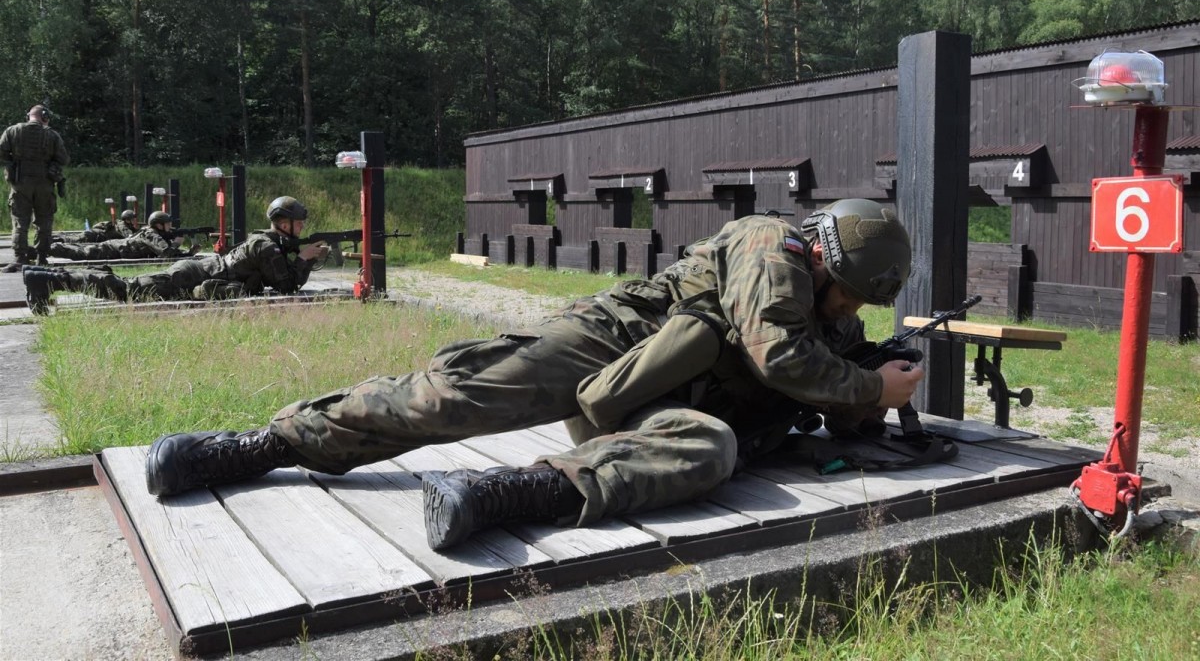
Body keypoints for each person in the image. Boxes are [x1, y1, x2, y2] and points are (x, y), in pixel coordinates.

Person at [141, 199, 923, 552]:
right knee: (454, 396)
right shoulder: (768, 244)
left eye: (858, 305)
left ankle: (503, 495)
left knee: (710, 451)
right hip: (617, 342)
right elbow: (778, 355)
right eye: (848, 294)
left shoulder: (838, 324)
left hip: (660, 407)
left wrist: (877, 389)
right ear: (824, 256)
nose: (848, 310)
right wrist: (869, 386)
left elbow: (815, 392)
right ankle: (257, 447)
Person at [23, 196, 329, 314]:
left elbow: (282, 280)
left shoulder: (270, 243)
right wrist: (304, 259)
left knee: (126, 287)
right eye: (298, 223)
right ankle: (47, 280)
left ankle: (47, 280)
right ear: (283, 223)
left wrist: (303, 257)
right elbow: (286, 286)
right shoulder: (267, 245)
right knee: (126, 290)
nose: (302, 228)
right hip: (193, 275)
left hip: (200, 271)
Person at [1, 105, 69, 265]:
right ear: (44, 117)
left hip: (20, 183)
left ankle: (20, 257)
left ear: (28, 116)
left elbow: (1, 153)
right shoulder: (52, 135)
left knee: (19, 221)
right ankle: (42, 257)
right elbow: (64, 159)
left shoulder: (12, 131)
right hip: (44, 184)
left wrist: (13, 163)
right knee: (44, 221)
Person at [47, 211, 189, 261]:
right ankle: (46, 248)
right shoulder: (151, 234)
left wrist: (189, 252)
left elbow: (165, 253)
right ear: (159, 225)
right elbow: (166, 255)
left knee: (79, 250)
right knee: (80, 252)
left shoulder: (156, 234)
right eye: (167, 224)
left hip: (116, 249)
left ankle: (48, 247)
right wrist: (177, 243)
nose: (170, 227)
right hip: (113, 249)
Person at [60, 209, 139, 244]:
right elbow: (129, 237)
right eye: (132, 219)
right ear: (127, 220)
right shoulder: (123, 225)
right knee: (72, 240)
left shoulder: (125, 225)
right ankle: (55, 239)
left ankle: (56, 239)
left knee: (72, 238)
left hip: (96, 235)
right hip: (95, 235)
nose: (134, 221)